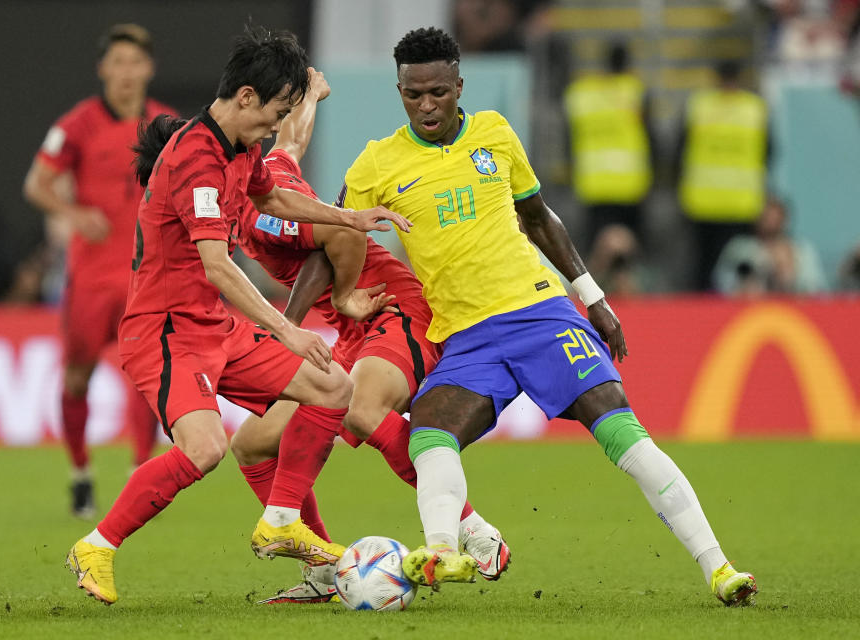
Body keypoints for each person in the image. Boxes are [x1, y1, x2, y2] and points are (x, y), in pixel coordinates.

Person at [336, 26, 757, 606]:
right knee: (429, 430)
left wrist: (594, 297)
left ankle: (720, 568)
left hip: (540, 312)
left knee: (619, 429)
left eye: (438, 91)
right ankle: (439, 552)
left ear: (459, 85)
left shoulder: (494, 134)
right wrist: (335, 296)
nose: (427, 105)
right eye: (413, 94)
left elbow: (538, 218)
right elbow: (334, 233)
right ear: (400, 92)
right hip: (466, 336)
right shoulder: (376, 164)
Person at [62, 25, 410, 606]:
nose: (275, 128)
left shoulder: (241, 146)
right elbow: (220, 267)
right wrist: (288, 328)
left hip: (214, 325)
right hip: (165, 331)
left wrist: (348, 219)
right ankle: (97, 544)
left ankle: (285, 525)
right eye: (275, 112)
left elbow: (271, 197)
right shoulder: (195, 157)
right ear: (245, 96)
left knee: (332, 386)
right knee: (205, 450)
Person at [202, 68, 508, 603]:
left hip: (393, 309)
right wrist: (311, 96)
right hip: (352, 327)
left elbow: (342, 233)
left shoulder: (261, 216)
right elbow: (291, 141)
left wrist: (311, 314)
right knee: (251, 444)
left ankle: (474, 531)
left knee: (361, 412)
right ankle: (320, 568)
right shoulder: (267, 167)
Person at [23, 24, 177, 518]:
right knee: (75, 377)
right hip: (91, 277)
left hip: (145, 277)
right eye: (118, 63)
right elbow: (37, 183)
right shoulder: (78, 125)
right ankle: (81, 473)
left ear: (148, 68)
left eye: (136, 63)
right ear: (103, 69)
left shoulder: (166, 125)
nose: (127, 73)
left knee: (146, 379)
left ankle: (138, 472)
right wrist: (70, 214)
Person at [676, 60, 770, 291]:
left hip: (703, 200)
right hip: (740, 202)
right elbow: (769, 152)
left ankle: (701, 320)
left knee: (704, 267)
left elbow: (680, 150)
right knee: (740, 268)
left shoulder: (699, 106)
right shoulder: (754, 108)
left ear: (716, 77)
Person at [563, 41, 653, 248]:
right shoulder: (635, 91)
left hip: (593, 181)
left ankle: (595, 280)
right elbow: (650, 135)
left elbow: (569, 137)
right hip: (630, 181)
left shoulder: (582, 93)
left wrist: (570, 168)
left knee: (597, 245)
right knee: (629, 245)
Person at [712, 196, 827, 296]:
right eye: (766, 218)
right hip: (750, 312)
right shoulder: (740, 249)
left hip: (794, 312)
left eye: (775, 218)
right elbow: (721, 282)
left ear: (784, 220)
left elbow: (817, 288)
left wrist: (788, 274)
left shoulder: (801, 250)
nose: (770, 223)